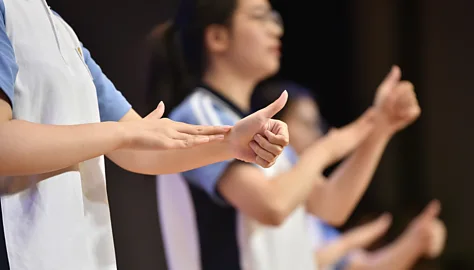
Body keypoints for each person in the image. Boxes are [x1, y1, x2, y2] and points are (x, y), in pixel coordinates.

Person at [0, 1, 291, 269]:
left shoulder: (62, 31)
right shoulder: (8, 12)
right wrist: (122, 134)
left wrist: (230, 143)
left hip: (77, 252)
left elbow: (139, 148)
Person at [148, 0, 422, 269]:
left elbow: (331, 205)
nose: (276, 30)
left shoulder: (253, 124)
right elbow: (272, 205)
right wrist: (325, 150)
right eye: (260, 17)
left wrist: (381, 126)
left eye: (274, 18)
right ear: (218, 37)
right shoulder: (197, 115)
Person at [252, 80, 447, 270]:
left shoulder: (308, 208)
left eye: (317, 124)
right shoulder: (259, 166)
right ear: (273, 124)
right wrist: (347, 243)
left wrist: (415, 242)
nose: (317, 134)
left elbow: (361, 263)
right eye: (308, 123)